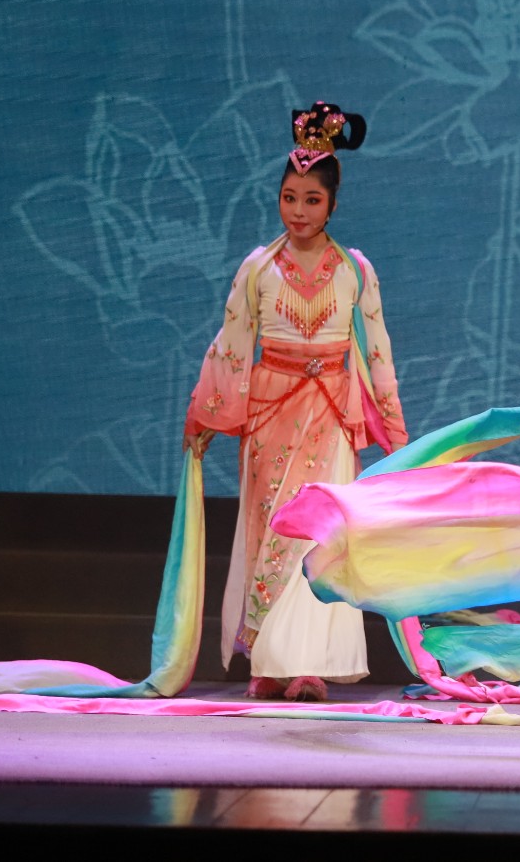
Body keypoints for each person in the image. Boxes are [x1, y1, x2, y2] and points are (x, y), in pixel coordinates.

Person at [182, 102, 408, 702]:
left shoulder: (355, 270)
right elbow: (231, 345)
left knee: (320, 536)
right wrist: (206, 413)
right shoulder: (258, 268)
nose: (299, 211)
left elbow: (377, 351)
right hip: (270, 415)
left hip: (331, 415)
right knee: (272, 529)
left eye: (312, 199)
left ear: (332, 204)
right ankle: (270, 660)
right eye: (289, 197)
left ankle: (309, 663)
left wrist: (392, 427)